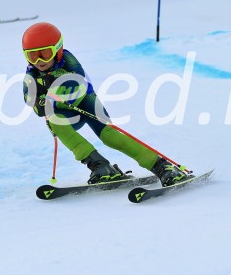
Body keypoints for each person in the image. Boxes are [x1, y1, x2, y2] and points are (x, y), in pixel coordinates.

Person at [21, 22, 190, 187]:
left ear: (57, 50)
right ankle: (100, 166)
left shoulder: (68, 60)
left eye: (45, 53)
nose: (39, 60)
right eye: (32, 55)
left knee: (110, 137)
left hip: (87, 103)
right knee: (54, 120)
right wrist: (42, 101)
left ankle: (162, 166)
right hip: (68, 114)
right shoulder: (31, 76)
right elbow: (36, 106)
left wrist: (52, 88)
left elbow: (77, 81)